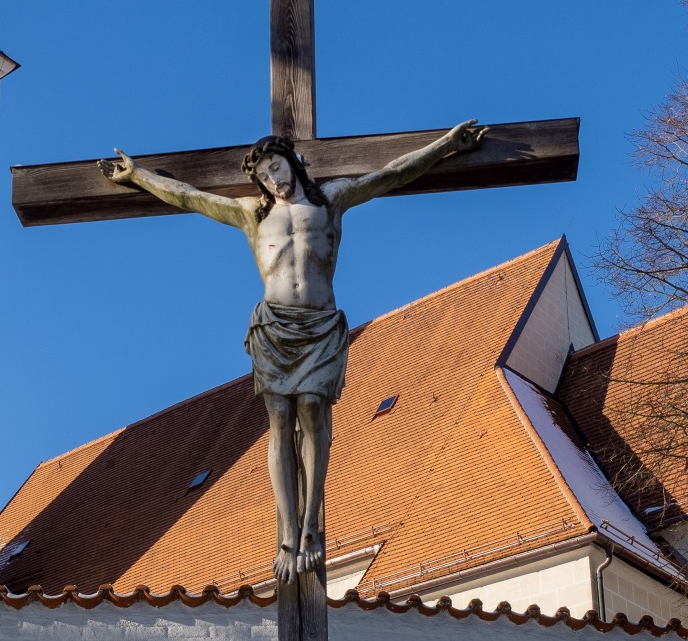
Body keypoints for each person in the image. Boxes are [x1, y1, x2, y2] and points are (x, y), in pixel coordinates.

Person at [98, 121, 485, 581]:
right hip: (275, 329)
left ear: (293, 162)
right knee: (279, 422)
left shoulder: (331, 201)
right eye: (263, 176)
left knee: (315, 418)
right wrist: (138, 175)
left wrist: (444, 146)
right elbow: (189, 196)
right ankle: (287, 532)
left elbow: (391, 173)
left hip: (319, 325)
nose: (273, 180)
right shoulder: (253, 215)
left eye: (277, 167)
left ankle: (311, 527)